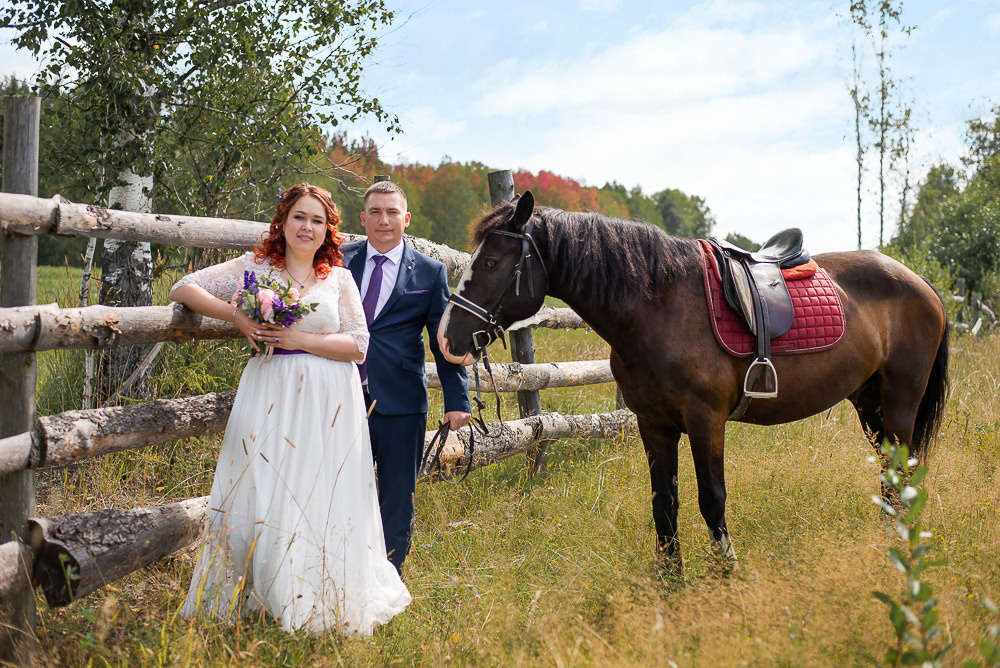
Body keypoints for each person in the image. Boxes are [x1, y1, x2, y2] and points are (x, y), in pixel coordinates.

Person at [172, 183, 410, 634]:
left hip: (330, 401)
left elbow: (359, 344)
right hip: (271, 393)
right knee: (264, 487)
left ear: (328, 231)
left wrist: (300, 339)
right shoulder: (256, 268)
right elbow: (183, 287)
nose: (307, 227)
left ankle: (318, 593)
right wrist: (237, 315)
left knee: (320, 490)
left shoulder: (338, 278)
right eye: (300, 216)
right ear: (282, 222)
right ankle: (262, 590)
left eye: (318, 220)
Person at [341, 180, 471, 576]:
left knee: (397, 499)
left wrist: (457, 400)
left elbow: (442, 341)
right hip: (340, 396)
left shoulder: (430, 272)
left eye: (392, 212)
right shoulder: (338, 261)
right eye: (375, 212)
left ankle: (388, 580)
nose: (383, 220)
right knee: (339, 489)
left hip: (401, 402)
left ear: (406, 218)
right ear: (363, 218)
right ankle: (341, 575)